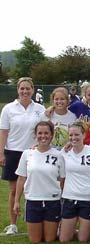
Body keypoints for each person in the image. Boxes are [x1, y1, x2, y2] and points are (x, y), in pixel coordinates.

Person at [0, 77, 45, 235]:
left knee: (35, 189)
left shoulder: (40, 109)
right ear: (18, 90)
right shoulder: (9, 109)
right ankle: (13, 224)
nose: (25, 91)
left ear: (33, 90)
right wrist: (1, 154)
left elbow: (45, 130)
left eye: (28, 88)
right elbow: (4, 132)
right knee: (14, 191)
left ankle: (36, 220)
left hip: (33, 153)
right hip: (12, 153)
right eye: (22, 88)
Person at [13, 121, 64, 243]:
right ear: (35, 135)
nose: (43, 136)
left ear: (52, 135)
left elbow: (62, 180)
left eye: (46, 133)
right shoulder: (27, 154)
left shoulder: (59, 155)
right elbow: (21, 178)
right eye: (40, 133)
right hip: (33, 200)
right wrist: (16, 201)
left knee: (49, 240)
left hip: (52, 201)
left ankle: (60, 229)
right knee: (35, 240)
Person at [59, 122, 90, 243]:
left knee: (83, 239)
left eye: (76, 134)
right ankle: (68, 229)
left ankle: (86, 230)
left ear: (84, 135)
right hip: (69, 197)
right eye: (71, 135)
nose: (73, 138)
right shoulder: (64, 152)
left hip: (87, 199)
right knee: (64, 239)